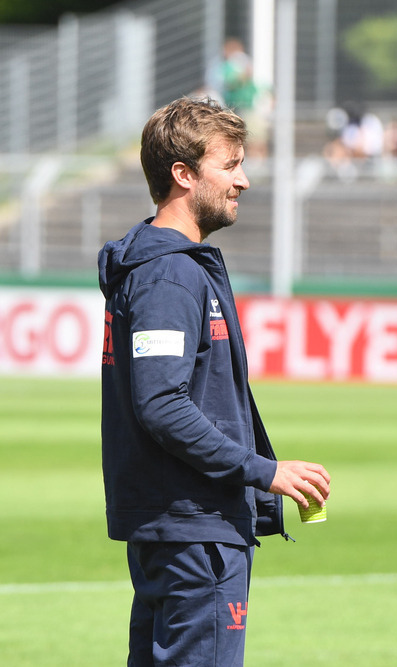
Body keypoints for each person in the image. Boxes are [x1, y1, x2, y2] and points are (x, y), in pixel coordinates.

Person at [98, 96, 331, 666]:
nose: (244, 180)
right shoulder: (170, 276)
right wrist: (264, 472)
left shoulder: (165, 268)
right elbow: (161, 405)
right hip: (194, 532)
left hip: (179, 528)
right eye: (230, 165)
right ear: (183, 174)